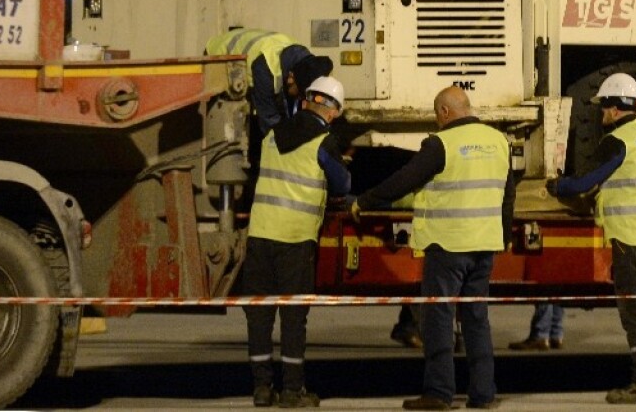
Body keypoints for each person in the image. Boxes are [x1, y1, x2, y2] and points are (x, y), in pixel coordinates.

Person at [352, 86, 513, 411]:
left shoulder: (441, 143)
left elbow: (404, 180)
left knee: (438, 318)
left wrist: (365, 200)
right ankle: (483, 394)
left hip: (448, 245)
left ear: (444, 112)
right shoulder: (499, 142)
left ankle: (439, 393)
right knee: (476, 319)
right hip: (484, 245)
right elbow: (508, 194)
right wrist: (504, 235)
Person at [548, 72, 636, 405]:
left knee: (635, 310)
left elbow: (586, 181)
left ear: (616, 109)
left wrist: (558, 186)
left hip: (630, 236)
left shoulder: (618, 141)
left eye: (604, 108)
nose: (601, 115)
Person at [242, 76, 350, 408]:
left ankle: (262, 389)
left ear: (306, 101)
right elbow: (342, 185)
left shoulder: (273, 135)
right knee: (293, 317)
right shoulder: (324, 142)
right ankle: (292, 391)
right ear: (332, 112)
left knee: (259, 315)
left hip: (260, 235)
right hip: (295, 239)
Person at [206, 28, 333, 134]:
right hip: (216, 57)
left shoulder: (301, 59)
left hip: (242, 51)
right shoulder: (265, 69)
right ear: (291, 79)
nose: (301, 98)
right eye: (300, 94)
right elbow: (269, 119)